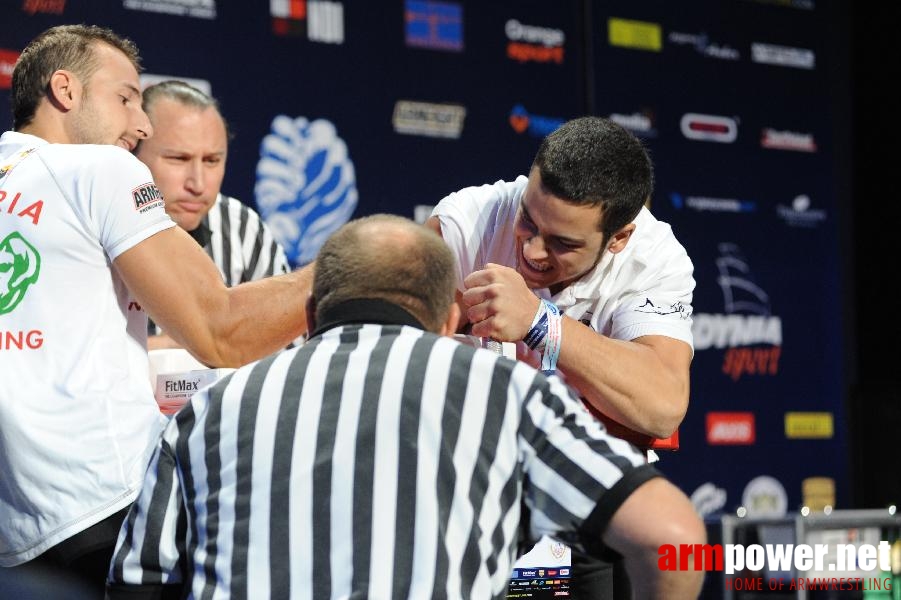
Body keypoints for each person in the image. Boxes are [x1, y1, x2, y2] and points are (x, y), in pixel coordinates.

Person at [105, 214, 706, 600]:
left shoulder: (208, 412)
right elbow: (673, 537)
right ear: (450, 319)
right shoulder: (506, 394)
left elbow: (137, 583)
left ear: (311, 315)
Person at [0, 24, 312, 594]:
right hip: (113, 514)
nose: (140, 125)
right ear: (65, 91)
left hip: (14, 535)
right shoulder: (101, 169)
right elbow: (225, 333)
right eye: (124, 98)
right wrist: (350, 267)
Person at [425, 116, 696, 597]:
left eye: (562, 243)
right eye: (528, 219)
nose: (531, 250)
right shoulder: (469, 220)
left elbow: (663, 403)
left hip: (574, 497)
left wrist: (541, 323)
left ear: (618, 238)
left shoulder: (653, 258)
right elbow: (391, 352)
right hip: (465, 489)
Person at [135, 80, 291, 350]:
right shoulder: (92, 224)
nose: (197, 184)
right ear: (131, 154)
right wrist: (193, 347)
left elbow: (287, 349)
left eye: (211, 161)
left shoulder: (242, 227)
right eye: (178, 159)